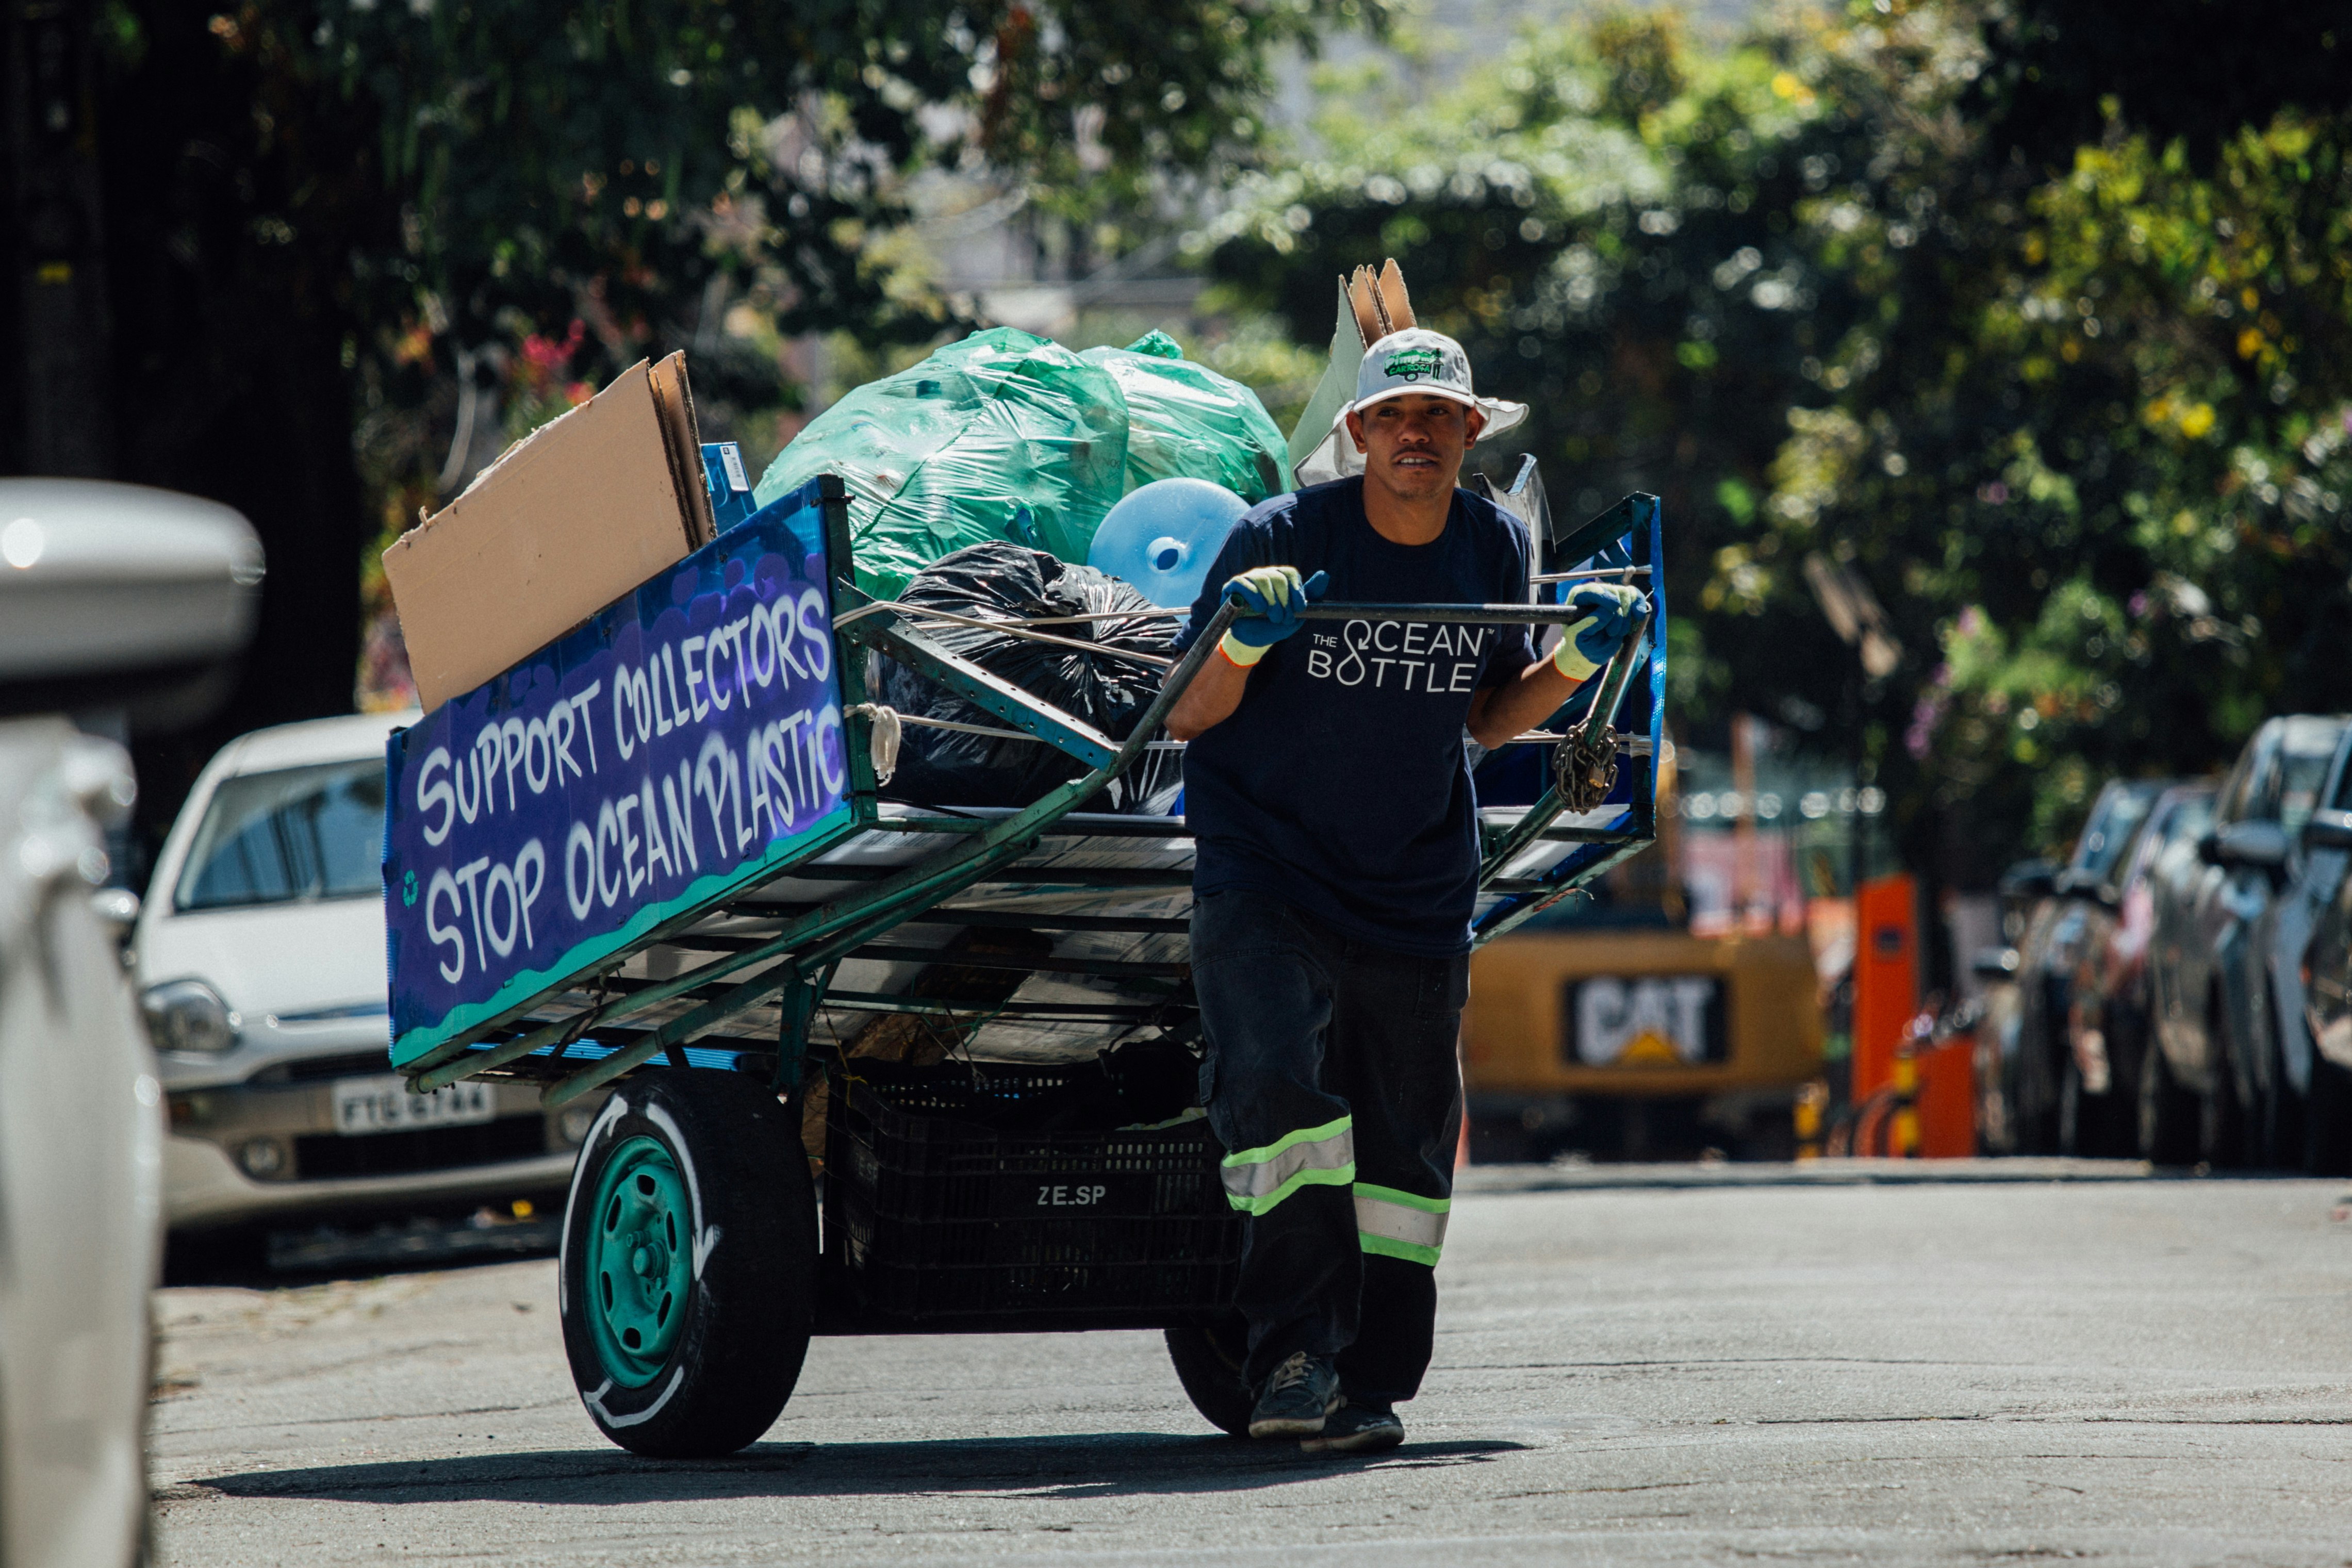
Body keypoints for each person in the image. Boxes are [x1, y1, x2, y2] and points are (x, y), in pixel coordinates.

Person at [1165, 327, 1648, 1454]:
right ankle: (1291, 1358)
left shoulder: (1491, 544)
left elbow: (1486, 718)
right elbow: (1187, 714)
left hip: (1415, 890)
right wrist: (1241, 641)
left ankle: (1371, 1379)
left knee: (1402, 1154)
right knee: (1278, 1104)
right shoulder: (1280, 537)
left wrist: (1579, 661)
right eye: (1391, 416)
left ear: (1471, 431)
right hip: (1269, 872)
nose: (1414, 434)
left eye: (1436, 416)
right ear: (1358, 433)